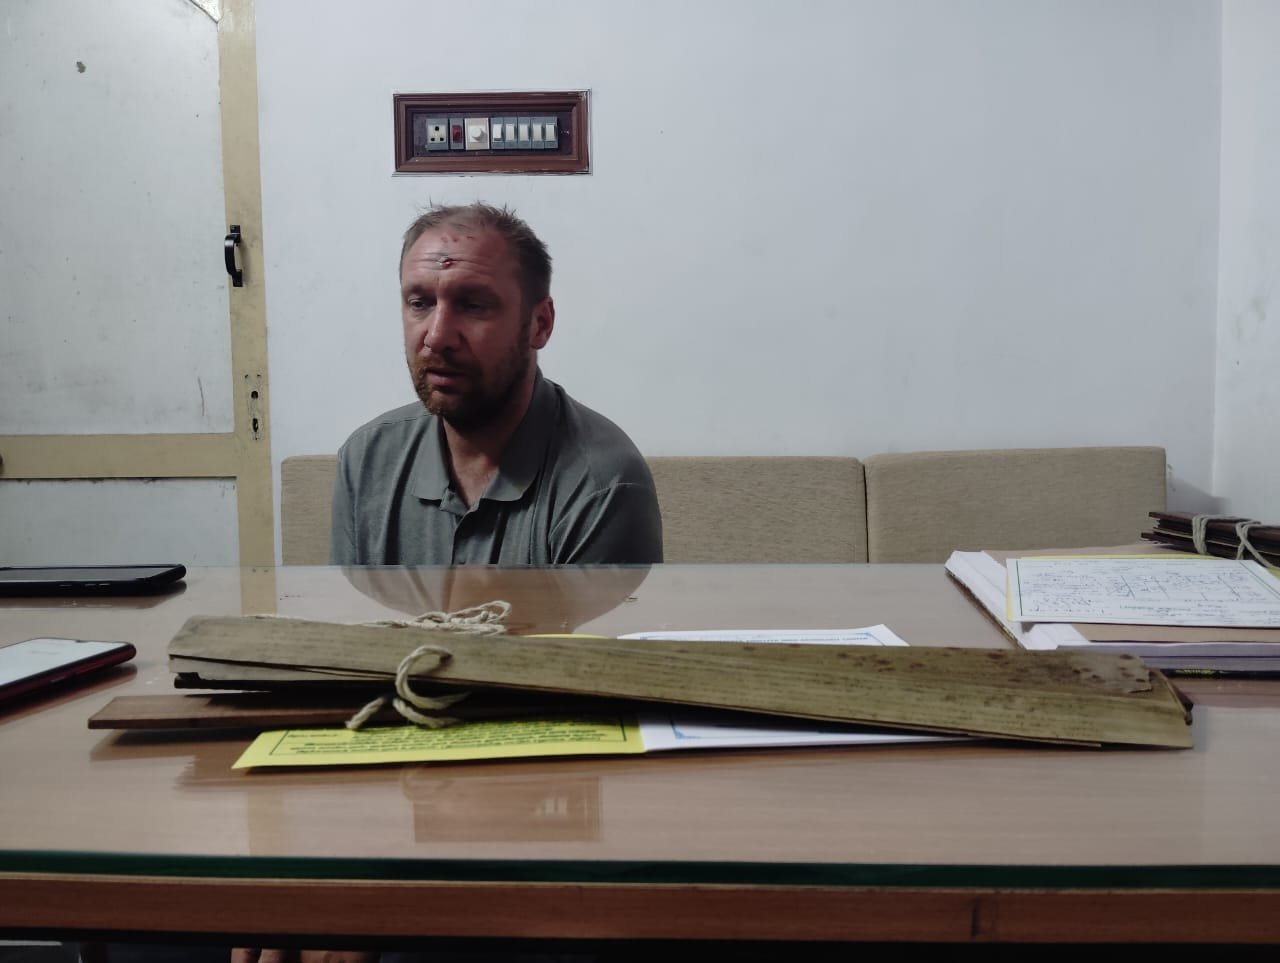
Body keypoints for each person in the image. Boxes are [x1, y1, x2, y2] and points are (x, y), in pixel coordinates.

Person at [331, 203, 662, 566]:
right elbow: (350, 606)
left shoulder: (602, 485)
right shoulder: (367, 461)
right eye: (420, 303)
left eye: (473, 305)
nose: (437, 337)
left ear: (540, 324)